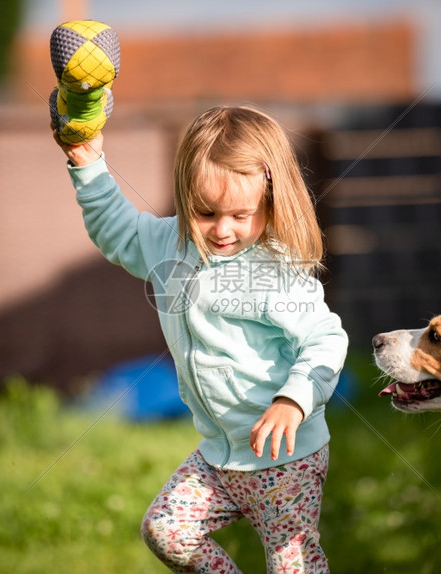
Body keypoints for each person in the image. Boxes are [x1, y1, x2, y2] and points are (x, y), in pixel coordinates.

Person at [53, 105, 348, 573]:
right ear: (185, 196)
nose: (222, 229)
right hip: (217, 457)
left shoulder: (276, 271)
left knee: (293, 565)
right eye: (206, 212)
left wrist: (294, 400)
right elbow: (116, 231)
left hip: (285, 461)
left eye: (240, 214)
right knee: (166, 529)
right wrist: (88, 163)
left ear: (269, 200)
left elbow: (326, 340)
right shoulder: (171, 244)